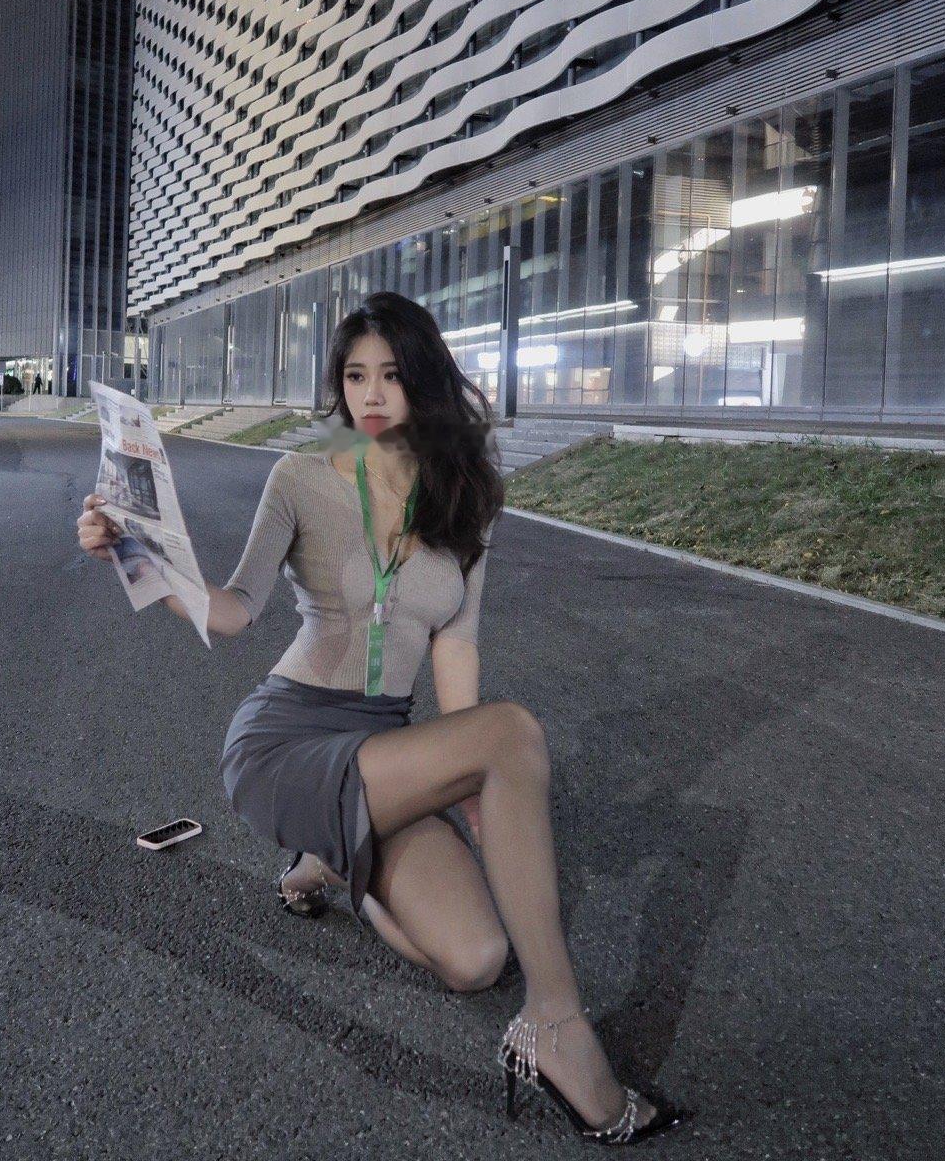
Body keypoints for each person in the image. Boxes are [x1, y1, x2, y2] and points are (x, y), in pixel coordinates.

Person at [76, 292, 688, 1145]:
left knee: (477, 961)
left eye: (391, 375)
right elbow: (236, 608)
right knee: (514, 731)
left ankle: (332, 861)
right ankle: (557, 1023)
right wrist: (131, 551)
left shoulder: (466, 497)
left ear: (424, 380)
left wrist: (472, 788)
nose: (370, 394)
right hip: (288, 739)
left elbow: (456, 650)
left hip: (385, 748)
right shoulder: (300, 477)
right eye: (355, 375)